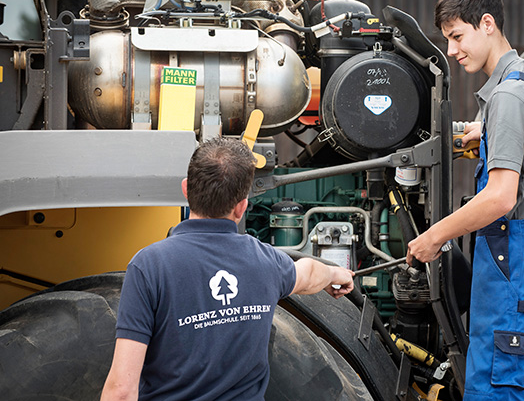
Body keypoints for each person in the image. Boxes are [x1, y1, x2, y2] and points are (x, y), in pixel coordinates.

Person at [408, 0, 524, 400]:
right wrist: (493, 134)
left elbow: (501, 196)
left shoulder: (507, 99)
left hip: (513, 288)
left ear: (487, 23)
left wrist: (435, 236)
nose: (451, 50)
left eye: (457, 36)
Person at [101, 137, 354, 401]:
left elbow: (121, 391)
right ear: (241, 207)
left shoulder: (148, 267)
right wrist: (337, 274)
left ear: (186, 190)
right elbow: (310, 274)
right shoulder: (266, 261)